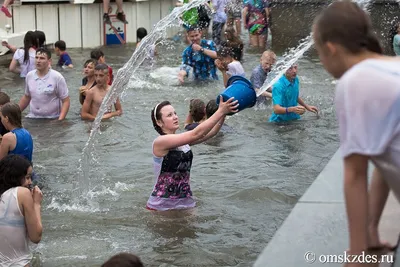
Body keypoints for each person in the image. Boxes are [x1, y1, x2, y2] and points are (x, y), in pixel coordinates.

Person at [312, 0, 400, 264]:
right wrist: (371, 230)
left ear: (331, 48)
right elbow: (386, 157)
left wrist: (358, 254)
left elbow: (355, 175)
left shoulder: (356, 81)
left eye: (318, 53)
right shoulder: (393, 65)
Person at [147, 96, 239, 211]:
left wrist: (223, 114)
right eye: (169, 115)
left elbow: (212, 132)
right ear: (159, 122)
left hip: (186, 202)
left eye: (175, 113)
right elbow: (196, 134)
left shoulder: (182, 142)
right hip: (161, 206)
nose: (175, 117)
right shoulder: (160, 142)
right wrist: (220, 111)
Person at [0, 154, 43, 266]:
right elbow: (36, 237)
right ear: (16, 176)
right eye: (28, 177)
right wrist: (37, 204)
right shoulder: (22, 193)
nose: (30, 183)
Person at [19, 48, 70, 120]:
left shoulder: (57, 77)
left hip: (52, 118)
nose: (38, 61)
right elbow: (27, 97)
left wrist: (60, 120)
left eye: (42, 58)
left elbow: (66, 101)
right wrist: (15, 113)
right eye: (36, 58)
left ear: (49, 61)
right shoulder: (29, 76)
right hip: (33, 117)